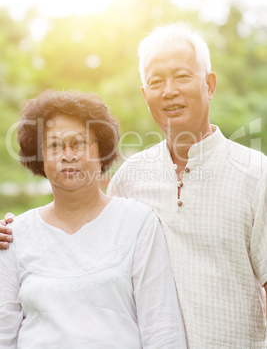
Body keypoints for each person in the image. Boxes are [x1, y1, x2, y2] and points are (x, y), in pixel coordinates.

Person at [1, 22, 267, 347]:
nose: (169, 90)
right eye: (156, 81)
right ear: (145, 94)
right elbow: (93, 237)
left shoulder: (257, 174)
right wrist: (14, 234)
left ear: (209, 85)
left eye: (182, 76)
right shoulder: (130, 177)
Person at [0, 90, 187, 348]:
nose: (68, 154)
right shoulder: (14, 234)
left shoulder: (138, 223)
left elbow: (162, 329)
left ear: (102, 149)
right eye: (54, 145)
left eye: (78, 143)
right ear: (39, 157)